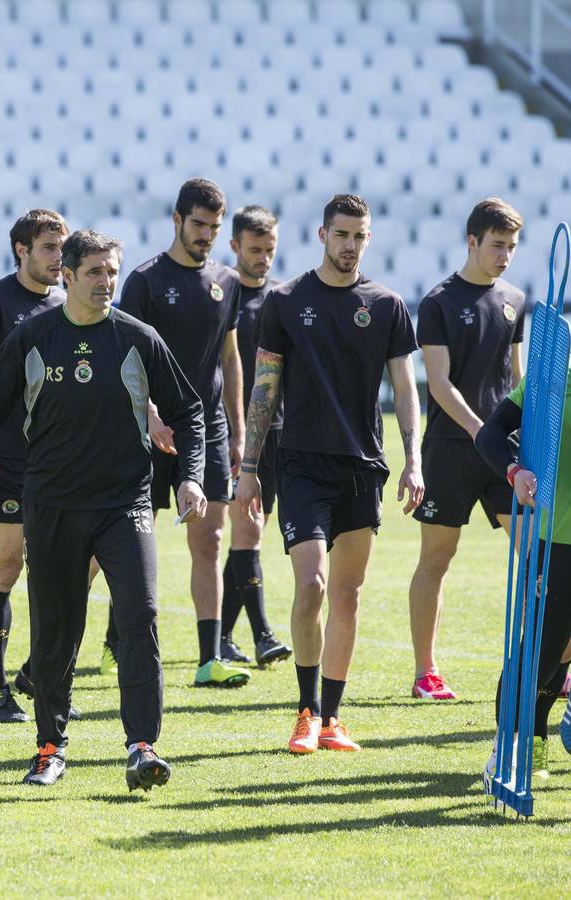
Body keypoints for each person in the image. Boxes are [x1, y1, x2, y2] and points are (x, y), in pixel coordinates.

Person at [0, 229, 206, 789]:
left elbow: (189, 410)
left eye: (112, 272)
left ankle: (143, 746)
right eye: (94, 272)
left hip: (124, 504)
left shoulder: (138, 338)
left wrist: (190, 478)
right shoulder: (31, 338)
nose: (106, 283)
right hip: (49, 505)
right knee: (56, 629)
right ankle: (50, 747)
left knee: (140, 615)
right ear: (67, 276)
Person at [235, 193, 424, 754]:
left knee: (348, 593)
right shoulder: (287, 300)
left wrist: (414, 458)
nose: (349, 245)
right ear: (322, 235)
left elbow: (405, 386)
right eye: (341, 234)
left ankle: (334, 719)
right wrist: (249, 468)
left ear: (368, 239)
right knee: (312, 583)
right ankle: (305, 709)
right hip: (300, 464)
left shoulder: (388, 305)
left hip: (363, 465)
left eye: (359, 236)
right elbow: (264, 385)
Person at [119, 177, 251, 688]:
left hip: (208, 428)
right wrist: (149, 412)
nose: (206, 235)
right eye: (198, 224)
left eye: (215, 227)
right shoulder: (145, 280)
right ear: (177, 220)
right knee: (114, 540)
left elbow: (230, 357)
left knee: (210, 538)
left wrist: (239, 430)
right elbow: (127, 358)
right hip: (146, 426)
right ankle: (64, 651)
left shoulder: (228, 281)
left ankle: (208, 658)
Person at [408, 199, 526, 701]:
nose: (504, 256)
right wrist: (483, 432)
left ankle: (550, 666)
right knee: (438, 557)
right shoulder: (438, 301)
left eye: (512, 247)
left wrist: (525, 441)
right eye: (497, 245)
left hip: (507, 455)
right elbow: (437, 383)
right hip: (452, 450)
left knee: (537, 554)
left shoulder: (516, 300)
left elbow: (518, 379)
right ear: (472, 241)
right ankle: (425, 672)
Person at [0, 208, 67, 723]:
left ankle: (34, 674)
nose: (57, 257)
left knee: (75, 568)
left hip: (62, 462)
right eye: (48, 247)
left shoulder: (72, 303)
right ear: (21, 250)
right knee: (2, 569)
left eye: (62, 247)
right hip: (3, 460)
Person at [476, 377, 571, 781]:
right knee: (542, 655)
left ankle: (538, 745)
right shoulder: (554, 373)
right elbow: (490, 433)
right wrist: (514, 470)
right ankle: (510, 749)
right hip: (559, 545)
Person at [219, 207, 293, 668]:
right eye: (255, 250)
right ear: (235, 247)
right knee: (248, 530)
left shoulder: (283, 301)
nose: (264, 258)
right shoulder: (220, 297)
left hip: (279, 431)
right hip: (232, 433)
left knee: (252, 533)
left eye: (270, 250)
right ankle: (262, 633)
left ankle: (224, 638)